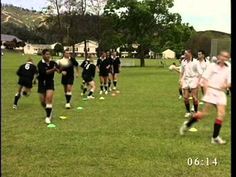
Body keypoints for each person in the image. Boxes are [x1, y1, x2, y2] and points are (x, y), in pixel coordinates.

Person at [180, 51, 231, 144]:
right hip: (211, 91)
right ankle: (187, 124)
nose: (224, 58)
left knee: (221, 114)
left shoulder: (229, 68)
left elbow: (229, 82)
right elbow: (205, 79)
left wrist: (225, 85)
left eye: (226, 57)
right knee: (204, 113)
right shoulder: (212, 66)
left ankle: (215, 137)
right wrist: (207, 92)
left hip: (220, 93)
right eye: (222, 56)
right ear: (219, 57)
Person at [37, 49, 59, 124]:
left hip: (50, 83)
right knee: (43, 102)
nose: (48, 55)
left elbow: (59, 70)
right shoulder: (40, 64)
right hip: (41, 83)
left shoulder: (53, 62)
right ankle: (49, 110)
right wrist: (54, 69)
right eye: (46, 54)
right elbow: (45, 73)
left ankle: (48, 117)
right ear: (43, 55)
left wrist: (62, 68)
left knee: (49, 99)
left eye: (49, 54)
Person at [179, 49, 203, 118]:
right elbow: (181, 71)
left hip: (194, 79)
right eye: (184, 54)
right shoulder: (183, 62)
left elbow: (200, 73)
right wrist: (180, 79)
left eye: (186, 54)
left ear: (190, 54)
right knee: (185, 97)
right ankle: (188, 112)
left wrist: (198, 82)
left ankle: (196, 112)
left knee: (194, 98)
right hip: (186, 79)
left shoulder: (196, 62)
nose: (185, 56)